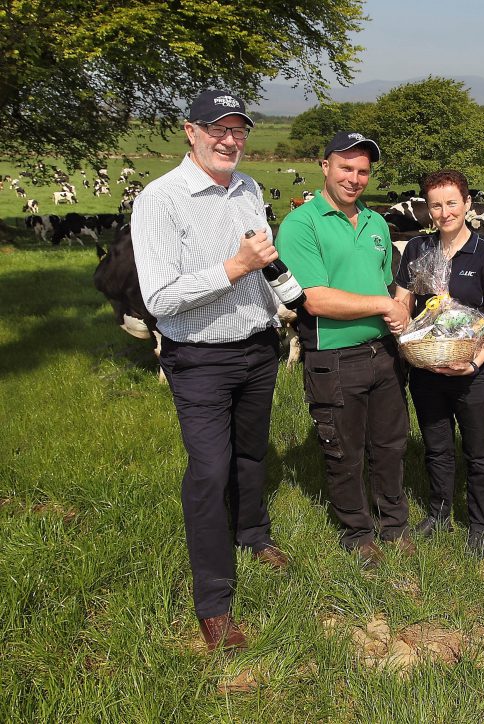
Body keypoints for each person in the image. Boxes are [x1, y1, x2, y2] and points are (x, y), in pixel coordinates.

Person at [133, 89, 287, 654]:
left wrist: (282, 298)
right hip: (199, 358)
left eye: (238, 129)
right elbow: (160, 298)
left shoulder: (247, 188)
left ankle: (253, 534)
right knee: (208, 470)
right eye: (216, 129)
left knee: (251, 453)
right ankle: (215, 603)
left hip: (258, 347)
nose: (229, 140)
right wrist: (235, 267)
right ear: (189, 132)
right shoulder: (160, 199)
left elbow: (265, 259)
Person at [274, 131, 414, 566]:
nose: (354, 178)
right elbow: (312, 299)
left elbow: (390, 284)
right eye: (346, 168)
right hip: (334, 358)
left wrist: (404, 305)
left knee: (390, 444)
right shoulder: (302, 224)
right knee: (344, 449)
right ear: (325, 167)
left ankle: (394, 524)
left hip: (384, 354)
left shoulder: (374, 223)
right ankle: (357, 532)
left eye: (363, 171)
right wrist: (381, 304)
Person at [393, 171, 484, 556]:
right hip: (428, 368)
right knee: (436, 445)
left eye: (451, 204)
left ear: (467, 205)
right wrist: (404, 336)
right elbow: (403, 303)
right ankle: (439, 512)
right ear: (427, 209)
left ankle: (479, 524)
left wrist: (475, 363)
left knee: (479, 450)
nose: (444, 213)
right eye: (435, 205)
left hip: (473, 373)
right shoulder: (417, 251)